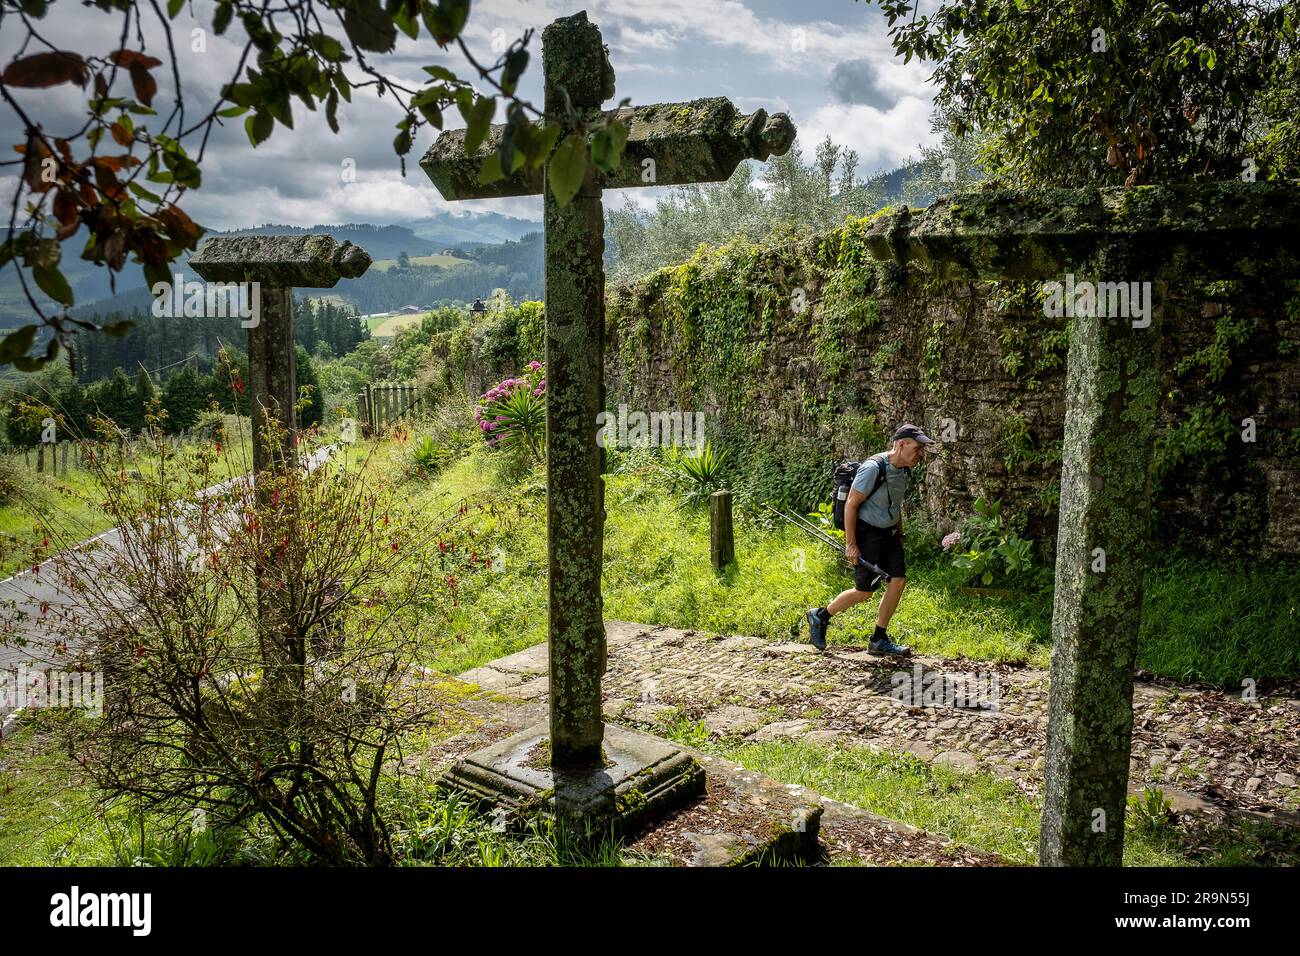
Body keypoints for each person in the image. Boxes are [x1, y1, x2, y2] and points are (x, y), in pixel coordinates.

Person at [807, 424, 933, 654]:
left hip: (891, 534)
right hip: (868, 535)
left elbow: (895, 504)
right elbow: (852, 505)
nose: (920, 454)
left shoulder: (904, 471)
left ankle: (878, 639)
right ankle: (820, 616)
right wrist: (851, 544)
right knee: (864, 592)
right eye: (917, 448)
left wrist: (900, 532)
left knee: (898, 580)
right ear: (902, 444)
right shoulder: (873, 468)